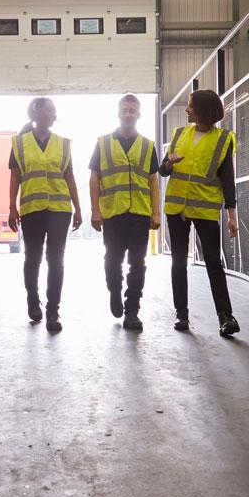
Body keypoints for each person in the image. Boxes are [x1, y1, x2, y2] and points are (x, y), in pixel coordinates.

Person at [159, 89, 240, 337]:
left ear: (203, 110)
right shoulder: (179, 134)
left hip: (204, 208)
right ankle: (181, 314)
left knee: (214, 263)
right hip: (176, 208)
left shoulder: (223, 139)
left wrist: (231, 215)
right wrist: (169, 162)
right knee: (178, 261)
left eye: (190, 106)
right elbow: (162, 170)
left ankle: (225, 316)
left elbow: (227, 179)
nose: (186, 109)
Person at [7, 97, 82, 333]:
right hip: (32, 210)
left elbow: (69, 176)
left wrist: (79, 208)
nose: (53, 114)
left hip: (60, 209)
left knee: (56, 259)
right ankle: (33, 299)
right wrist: (12, 207)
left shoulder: (63, 143)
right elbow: (15, 178)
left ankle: (53, 311)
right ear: (37, 112)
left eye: (54, 111)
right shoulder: (19, 144)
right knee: (33, 258)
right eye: (50, 110)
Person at [89, 94, 160, 332]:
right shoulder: (103, 143)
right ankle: (115, 291)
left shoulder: (148, 146)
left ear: (138, 114)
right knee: (112, 260)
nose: (128, 114)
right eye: (124, 110)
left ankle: (132, 311)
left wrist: (156, 213)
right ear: (118, 113)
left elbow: (153, 181)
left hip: (139, 213)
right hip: (113, 213)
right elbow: (94, 177)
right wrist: (95, 210)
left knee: (137, 263)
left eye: (132, 110)